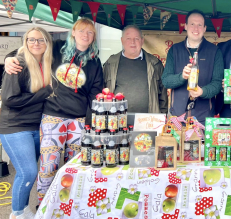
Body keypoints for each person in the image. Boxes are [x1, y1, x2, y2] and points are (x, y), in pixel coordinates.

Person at [5, 18, 104, 204]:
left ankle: (68, 204)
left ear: (93, 38)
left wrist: (95, 120)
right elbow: (29, 50)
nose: (85, 35)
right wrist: (8, 58)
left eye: (90, 32)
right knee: (48, 165)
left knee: (74, 167)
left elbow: (95, 92)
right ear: (73, 33)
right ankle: (44, 205)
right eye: (81, 30)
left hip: (79, 120)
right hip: (53, 116)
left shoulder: (94, 61)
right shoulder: (57, 47)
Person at [0, 27, 53, 219]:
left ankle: (23, 211)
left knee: (29, 172)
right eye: (31, 40)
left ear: (47, 42)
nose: (36, 44)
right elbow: (9, 100)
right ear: (25, 42)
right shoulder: (18, 64)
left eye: (40, 40)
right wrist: (43, 94)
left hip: (36, 126)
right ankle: (16, 212)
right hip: (15, 127)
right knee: (28, 172)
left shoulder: (47, 64)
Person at [162, 10, 224, 124]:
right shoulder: (174, 50)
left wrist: (202, 92)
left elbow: (217, 83)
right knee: (177, 142)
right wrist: (182, 77)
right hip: (178, 116)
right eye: (192, 24)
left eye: (200, 25)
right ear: (185, 26)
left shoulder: (214, 51)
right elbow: (166, 81)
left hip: (204, 117)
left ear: (205, 28)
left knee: (202, 142)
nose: (196, 29)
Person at [103, 25, 168, 113]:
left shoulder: (155, 64)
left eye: (136, 38)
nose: (132, 42)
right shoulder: (110, 63)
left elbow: (163, 97)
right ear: (122, 41)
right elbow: (102, 93)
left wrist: (162, 117)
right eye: (128, 38)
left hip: (148, 121)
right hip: (117, 120)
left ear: (142, 41)